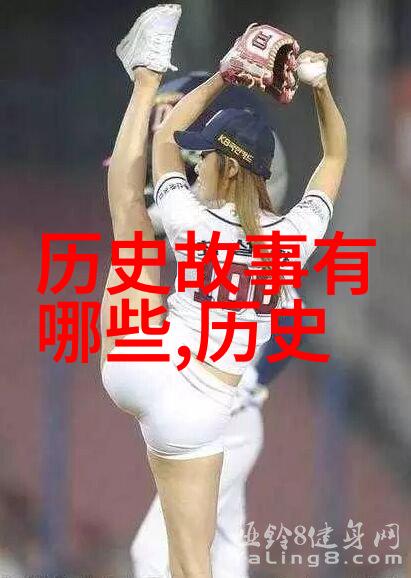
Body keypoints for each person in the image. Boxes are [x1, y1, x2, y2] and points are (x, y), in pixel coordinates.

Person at [101, 5, 347, 578]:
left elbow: (163, 142)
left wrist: (222, 75)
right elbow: (335, 156)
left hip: (140, 358)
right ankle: (147, 71)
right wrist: (321, 89)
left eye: (205, 154)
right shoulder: (293, 239)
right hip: (200, 409)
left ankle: (145, 73)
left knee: (129, 216)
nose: (198, 163)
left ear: (223, 166)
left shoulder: (188, 218)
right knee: (192, 567)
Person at [130, 74, 300, 578]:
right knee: (224, 552)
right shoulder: (210, 228)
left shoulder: (245, 238)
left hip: (227, 417)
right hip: (221, 415)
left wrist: (255, 380)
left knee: (154, 554)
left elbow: (293, 321)